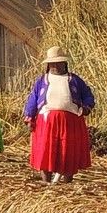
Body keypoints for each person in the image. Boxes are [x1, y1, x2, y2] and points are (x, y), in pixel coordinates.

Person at [22, 46, 95, 183]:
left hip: (70, 121)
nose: (55, 66)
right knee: (46, 150)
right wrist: (30, 117)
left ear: (64, 63)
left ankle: (67, 182)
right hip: (47, 120)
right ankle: (46, 181)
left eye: (58, 63)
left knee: (68, 151)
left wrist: (86, 107)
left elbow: (88, 95)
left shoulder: (74, 80)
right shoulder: (42, 80)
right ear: (48, 65)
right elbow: (33, 99)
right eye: (52, 63)